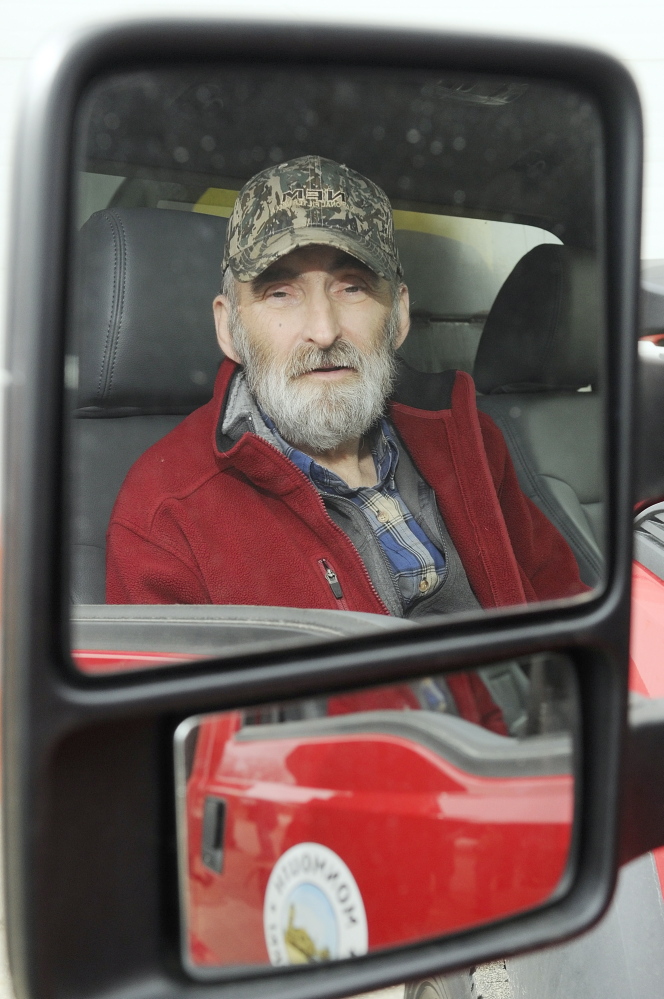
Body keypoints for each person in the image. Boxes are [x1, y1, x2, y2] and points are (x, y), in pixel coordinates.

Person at [106, 154, 587, 617]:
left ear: (397, 316)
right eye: (280, 293)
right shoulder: (165, 515)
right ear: (230, 328)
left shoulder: (470, 441)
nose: (324, 329)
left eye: (352, 287)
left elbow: (564, 606)